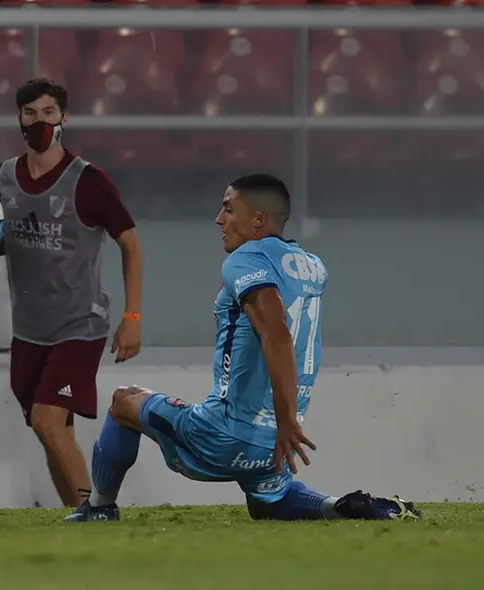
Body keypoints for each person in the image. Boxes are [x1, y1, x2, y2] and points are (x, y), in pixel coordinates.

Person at [66, 173, 421, 522]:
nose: (219, 219)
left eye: (228, 209)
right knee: (265, 504)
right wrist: (285, 423)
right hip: (276, 445)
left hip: (226, 435)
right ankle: (343, 507)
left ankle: (99, 508)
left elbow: (276, 333)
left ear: (258, 219)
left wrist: (285, 420)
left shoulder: (246, 259)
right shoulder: (312, 267)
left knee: (123, 401)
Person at [0, 78, 145, 509]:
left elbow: (130, 242)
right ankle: (79, 518)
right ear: (19, 118)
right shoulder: (5, 177)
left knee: (47, 421)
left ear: (64, 119)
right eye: (30, 114)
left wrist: (132, 318)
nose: (39, 122)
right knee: (50, 430)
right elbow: (7, 239)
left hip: (79, 325)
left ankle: (98, 513)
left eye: (48, 114)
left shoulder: (88, 181)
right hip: (30, 329)